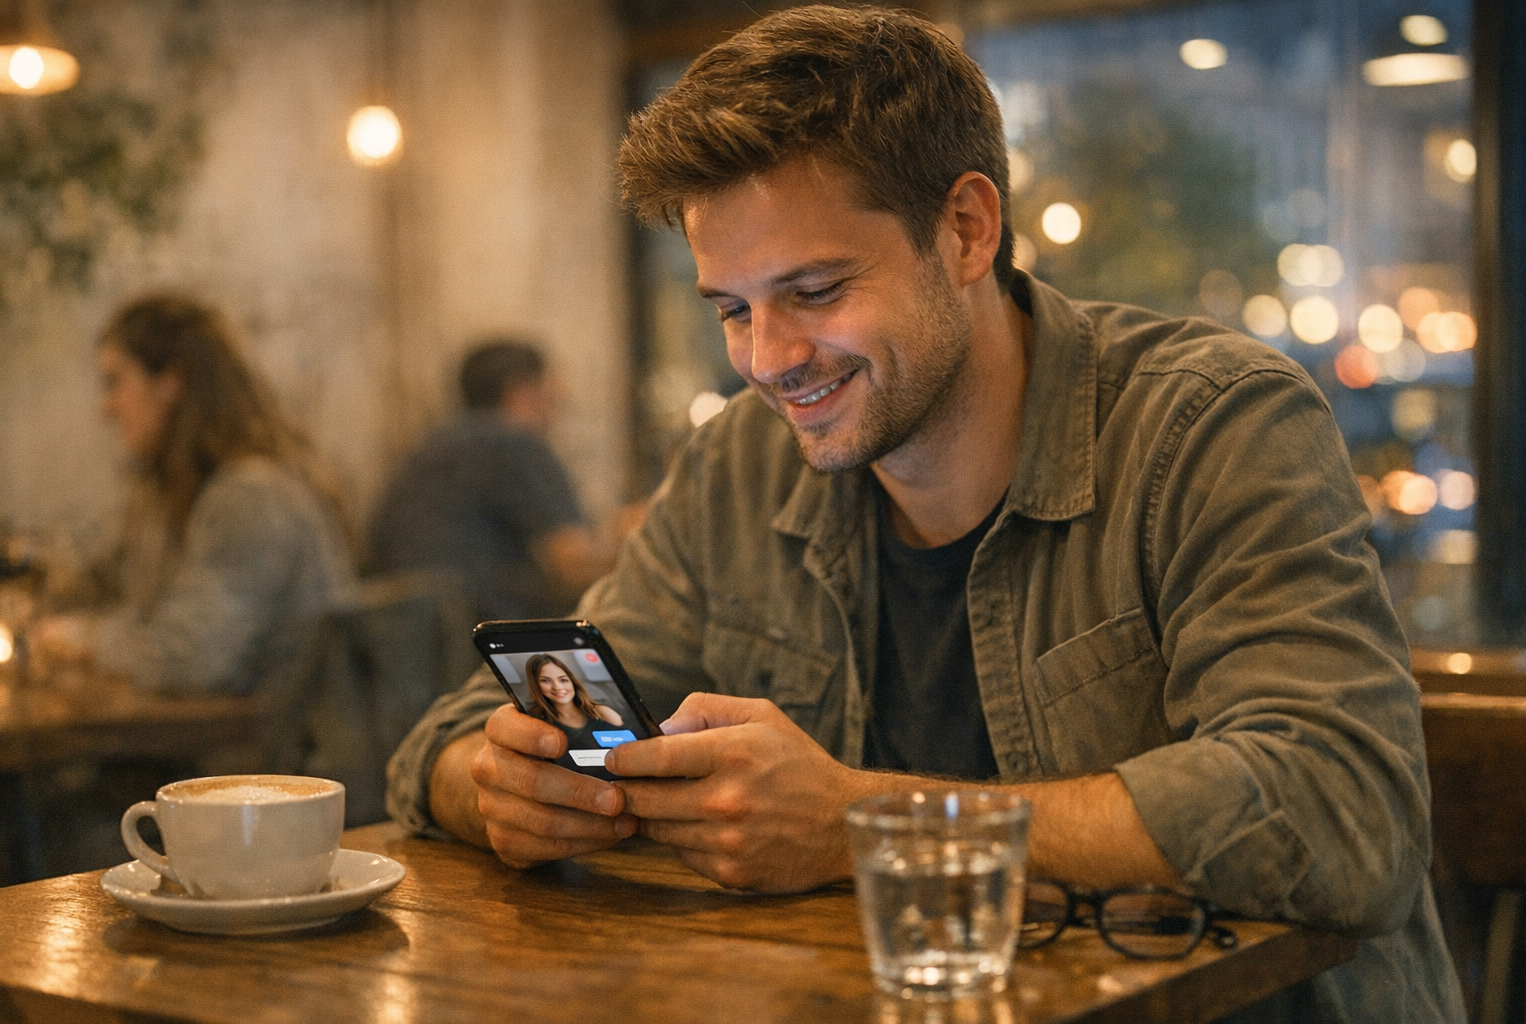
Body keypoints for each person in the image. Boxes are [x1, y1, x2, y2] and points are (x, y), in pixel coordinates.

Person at [388, 7, 1463, 1020]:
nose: (767, 359)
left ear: (965, 228)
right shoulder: (738, 469)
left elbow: (1340, 807)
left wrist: (861, 822)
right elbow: (443, 742)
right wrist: (496, 785)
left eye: (814, 292)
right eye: (732, 309)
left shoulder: (1213, 426)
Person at [31, 294, 356, 696]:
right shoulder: (163, 493)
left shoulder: (252, 496)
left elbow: (190, 658)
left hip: (270, 754)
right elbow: (97, 584)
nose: (106, 408)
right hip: (204, 745)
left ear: (170, 383)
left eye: (115, 382)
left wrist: (78, 637)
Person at [365, 340, 624, 621]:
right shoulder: (512, 443)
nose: (561, 396)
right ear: (522, 390)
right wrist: (639, 538)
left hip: (410, 633)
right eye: (551, 387)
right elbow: (574, 564)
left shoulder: (439, 440)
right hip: (473, 632)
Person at [524, 653, 624, 748]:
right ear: (535, 685)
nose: (557, 687)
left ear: (573, 682)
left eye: (563, 680)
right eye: (545, 681)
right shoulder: (534, 722)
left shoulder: (603, 713)